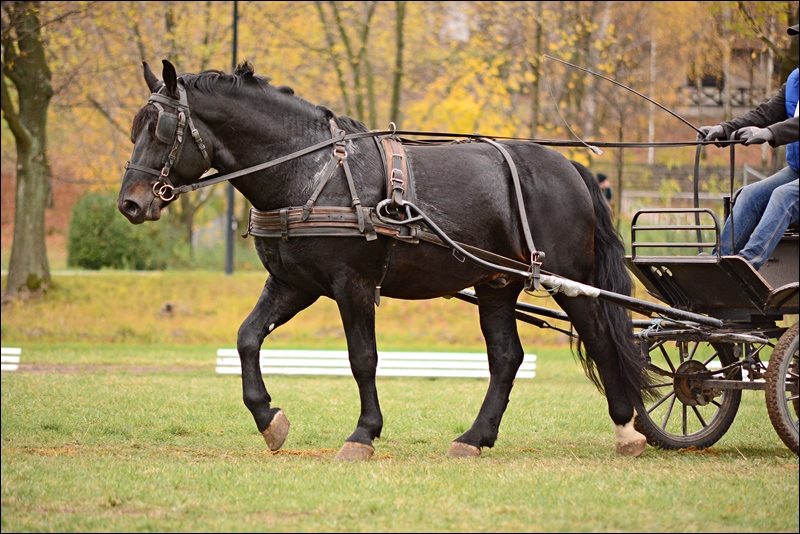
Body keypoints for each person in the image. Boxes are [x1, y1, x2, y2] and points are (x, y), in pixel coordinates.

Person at [697, 23, 799, 270]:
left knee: (783, 195)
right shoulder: (796, 80)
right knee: (748, 195)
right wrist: (724, 129)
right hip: (797, 170)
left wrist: (768, 133)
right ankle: (718, 262)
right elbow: (765, 113)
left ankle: (747, 264)